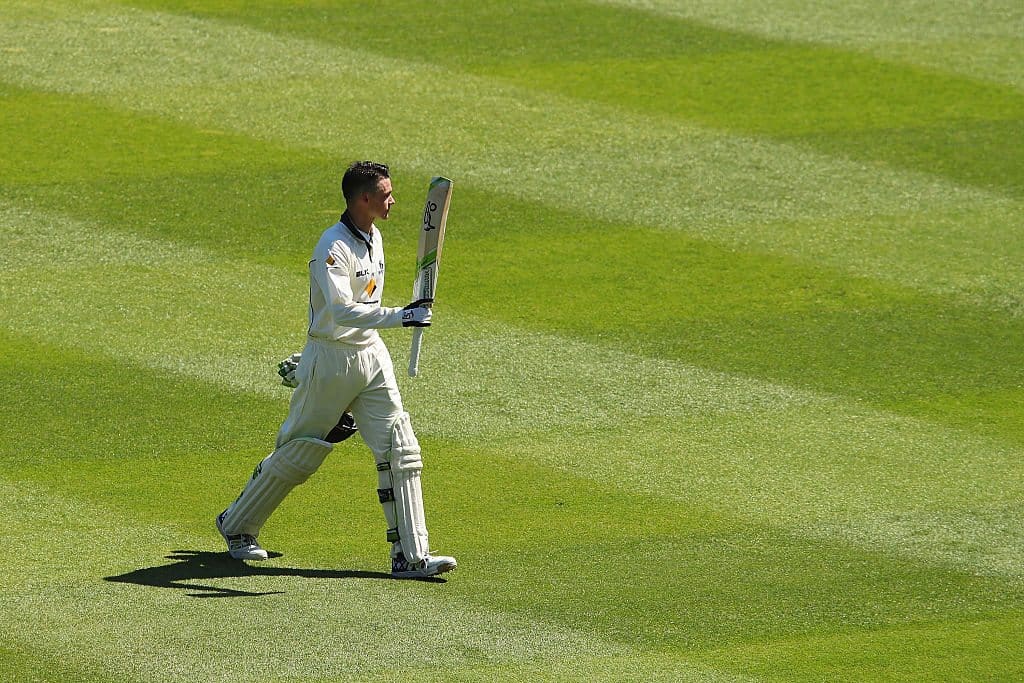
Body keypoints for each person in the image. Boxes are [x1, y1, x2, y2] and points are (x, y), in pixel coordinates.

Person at [216, 161, 457, 579]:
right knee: (299, 452)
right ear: (363, 199)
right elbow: (342, 312)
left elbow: (365, 303)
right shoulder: (333, 246)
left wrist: (402, 316)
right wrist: (403, 317)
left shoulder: (374, 236)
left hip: (371, 356)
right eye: (386, 194)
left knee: (401, 446)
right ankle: (236, 525)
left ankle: (410, 556)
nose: (392, 200)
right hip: (331, 358)